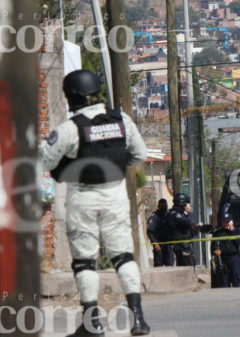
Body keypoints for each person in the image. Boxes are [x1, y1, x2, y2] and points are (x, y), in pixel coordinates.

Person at [39, 70, 150, 336]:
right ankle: (138, 319)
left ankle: (93, 324)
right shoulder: (121, 120)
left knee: (85, 262)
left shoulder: (70, 128)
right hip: (116, 197)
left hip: (83, 198)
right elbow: (140, 154)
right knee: (123, 256)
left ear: (72, 98)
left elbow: (44, 161)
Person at [167, 193, 200, 266]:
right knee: (187, 265)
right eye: (185, 204)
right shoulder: (174, 214)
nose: (186, 206)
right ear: (180, 204)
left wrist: (195, 227)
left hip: (185, 245)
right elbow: (188, 222)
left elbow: (187, 224)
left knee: (190, 264)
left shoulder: (181, 214)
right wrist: (190, 213)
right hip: (181, 246)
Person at [211, 214, 240, 288]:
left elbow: (238, 242)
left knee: (236, 281)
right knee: (223, 284)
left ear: (231, 222)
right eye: (224, 221)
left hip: (234, 258)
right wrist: (215, 252)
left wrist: (232, 230)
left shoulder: (237, 231)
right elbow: (213, 247)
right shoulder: (218, 232)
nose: (225, 223)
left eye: (227, 221)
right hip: (222, 260)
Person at [147, 199, 174, 267]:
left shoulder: (169, 215)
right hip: (159, 246)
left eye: (165, 206)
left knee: (170, 266)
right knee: (158, 266)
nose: (163, 207)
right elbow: (149, 231)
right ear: (158, 206)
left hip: (168, 245)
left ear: (167, 206)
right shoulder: (155, 216)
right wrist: (155, 243)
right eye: (161, 206)